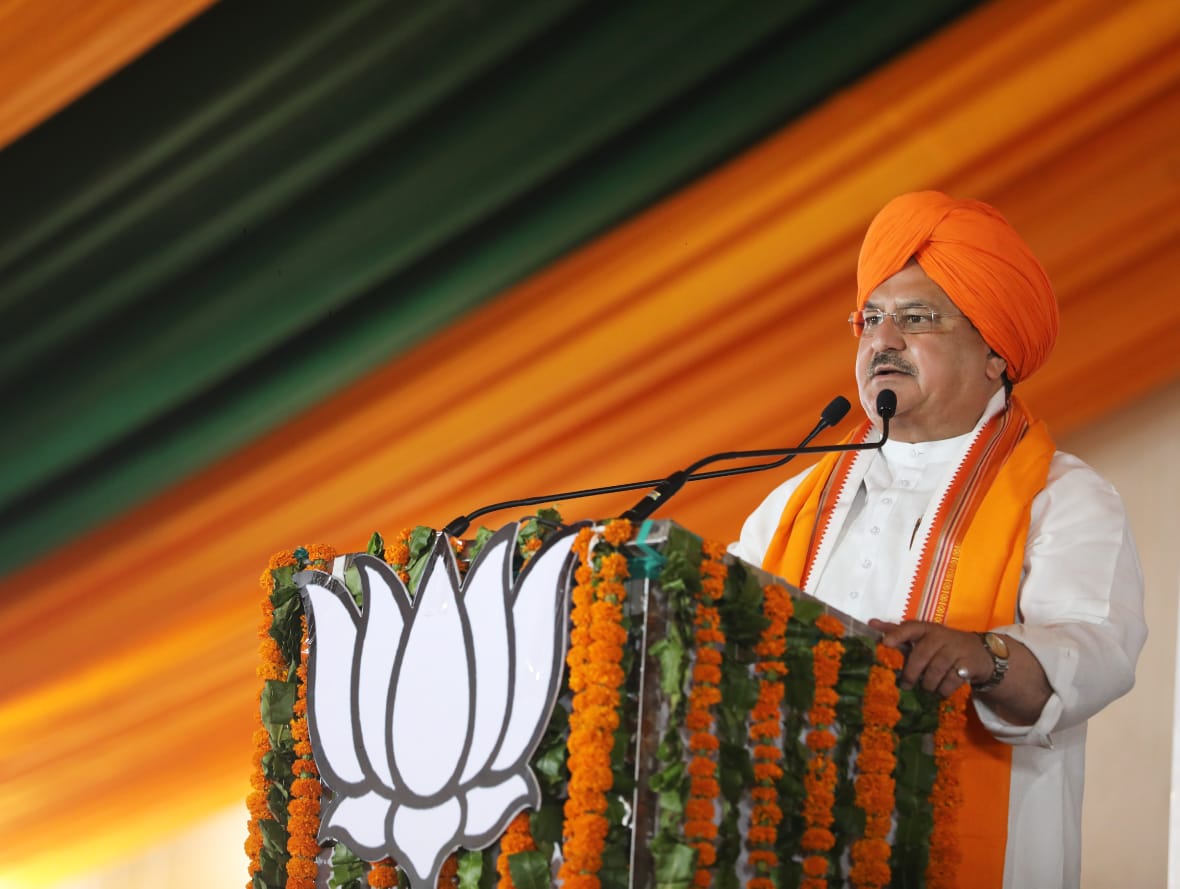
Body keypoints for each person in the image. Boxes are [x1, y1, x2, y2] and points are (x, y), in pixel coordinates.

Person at [730, 190, 1146, 889]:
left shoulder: (1064, 499)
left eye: (917, 317)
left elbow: (1094, 655)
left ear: (995, 353)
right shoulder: (790, 506)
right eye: (871, 318)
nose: (883, 340)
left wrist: (984, 655)